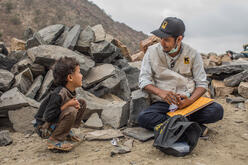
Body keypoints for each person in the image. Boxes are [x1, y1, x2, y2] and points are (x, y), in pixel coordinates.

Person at [138, 17, 224, 136]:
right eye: (161, 38)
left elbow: (202, 83)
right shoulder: (152, 52)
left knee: (216, 111)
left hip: (188, 102)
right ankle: (193, 128)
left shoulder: (192, 54)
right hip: (164, 104)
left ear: (179, 39)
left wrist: (189, 100)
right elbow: (143, 80)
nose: (162, 43)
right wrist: (160, 92)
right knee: (144, 118)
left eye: (167, 40)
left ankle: (177, 126)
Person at [34, 56, 86, 151]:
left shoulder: (69, 90)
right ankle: (54, 140)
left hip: (52, 123)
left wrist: (73, 104)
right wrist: (68, 105)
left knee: (81, 103)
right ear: (70, 77)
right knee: (71, 110)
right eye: (79, 72)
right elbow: (48, 117)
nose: (81, 75)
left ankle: (65, 132)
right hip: (43, 128)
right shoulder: (58, 94)